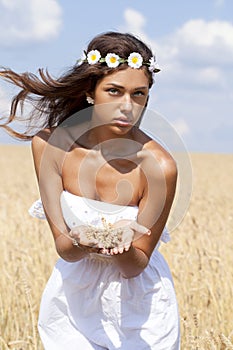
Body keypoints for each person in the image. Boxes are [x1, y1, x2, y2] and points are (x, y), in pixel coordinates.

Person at [0, 32, 180, 349]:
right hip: (72, 302)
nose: (128, 106)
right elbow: (65, 250)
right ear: (89, 92)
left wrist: (123, 243)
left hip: (139, 312)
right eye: (114, 91)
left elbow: (134, 267)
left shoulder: (160, 167)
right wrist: (82, 238)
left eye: (139, 94)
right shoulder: (50, 146)